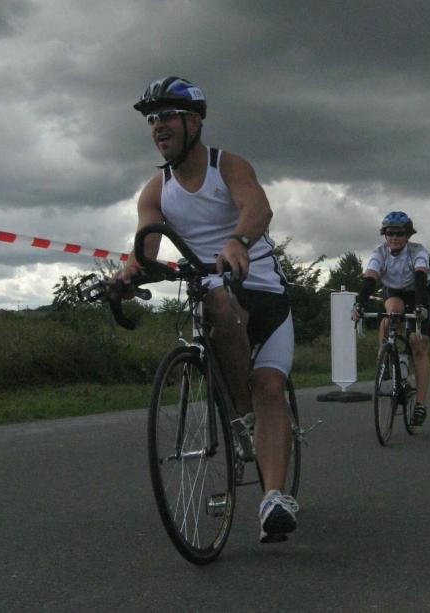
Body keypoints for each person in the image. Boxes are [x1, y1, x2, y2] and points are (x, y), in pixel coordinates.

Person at [116, 77, 298, 543]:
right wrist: (128, 275)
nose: (158, 126)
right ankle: (243, 416)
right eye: (152, 119)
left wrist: (238, 240)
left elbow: (258, 208)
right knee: (215, 299)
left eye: (167, 116)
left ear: (194, 122)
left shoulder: (228, 166)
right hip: (211, 292)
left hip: (261, 291)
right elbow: (146, 248)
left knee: (269, 386)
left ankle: (274, 498)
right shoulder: (155, 190)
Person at [352, 211, 430, 426]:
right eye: (390, 233)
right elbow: (370, 278)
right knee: (392, 313)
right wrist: (360, 304)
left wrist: (420, 307)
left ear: (408, 235)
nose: (394, 238)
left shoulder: (418, 251)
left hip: (419, 291)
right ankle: (385, 357)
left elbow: (420, 276)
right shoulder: (380, 253)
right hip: (394, 291)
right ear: (385, 235)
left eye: (400, 233)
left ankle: (420, 404)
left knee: (419, 343)